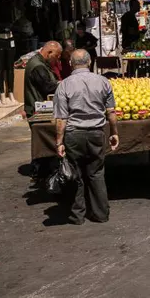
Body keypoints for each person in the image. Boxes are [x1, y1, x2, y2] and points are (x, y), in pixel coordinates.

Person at [54, 50, 120, 225]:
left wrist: (59, 142)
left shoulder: (64, 85)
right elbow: (111, 112)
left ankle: (77, 216)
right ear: (90, 62)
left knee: (76, 175)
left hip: (73, 135)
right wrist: (114, 133)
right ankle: (101, 214)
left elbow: (61, 119)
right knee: (96, 173)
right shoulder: (103, 81)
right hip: (96, 134)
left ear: (70, 64)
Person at [24, 41, 61, 177]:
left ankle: (44, 171)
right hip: (38, 110)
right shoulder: (38, 66)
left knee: (43, 143)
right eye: (56, 56)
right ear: (49, 52)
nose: (57, 59)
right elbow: (48, 87)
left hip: (39, 108)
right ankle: (39, 172)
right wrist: (63, 85)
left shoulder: (40, 62)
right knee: (42, 143)